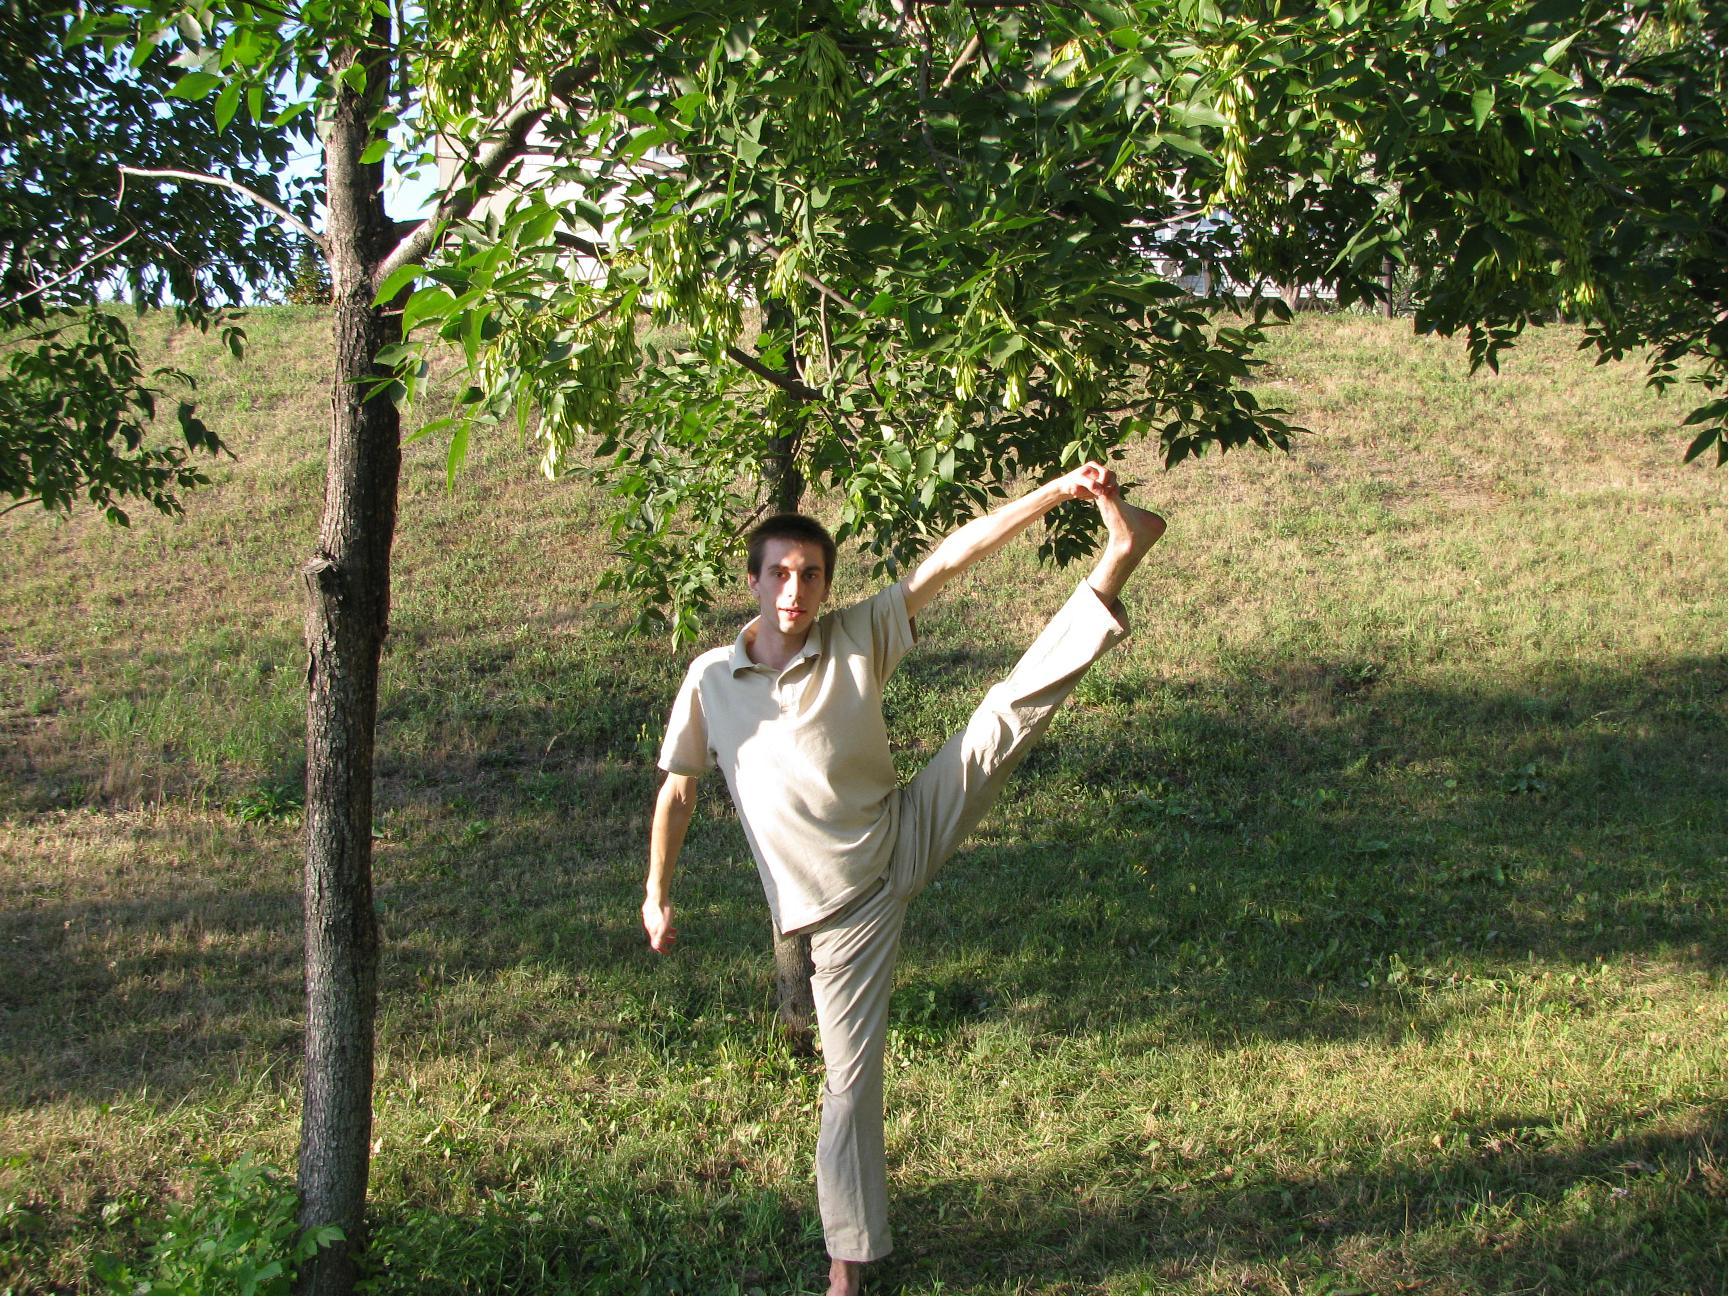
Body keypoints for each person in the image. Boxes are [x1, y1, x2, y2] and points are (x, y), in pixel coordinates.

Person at [643, 462, 1165, 1295]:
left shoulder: (854, 634)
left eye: (810, 574)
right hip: (835, 910)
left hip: (897, 833)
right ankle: (852, 1251)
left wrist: (1053, 493)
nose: (794, 589)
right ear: (752, 581)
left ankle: (1117, 557)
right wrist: (656, 892)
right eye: (779, 573)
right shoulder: (712, 678)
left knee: (1003, 716)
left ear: (825, 584)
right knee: (849, 1086)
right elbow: (678, 790)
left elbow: (950, 558)